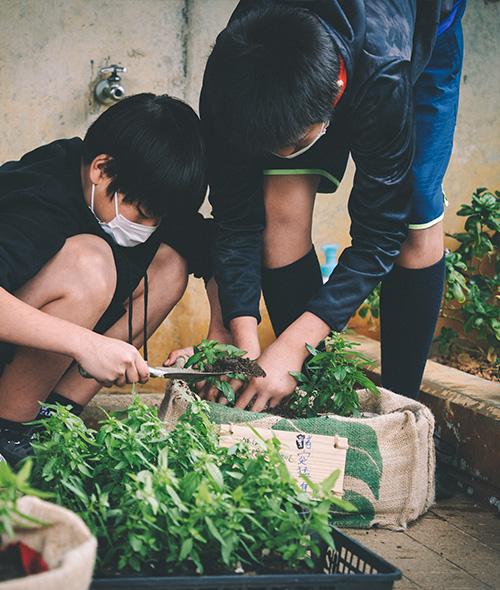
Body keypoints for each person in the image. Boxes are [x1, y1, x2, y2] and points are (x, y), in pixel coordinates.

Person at [199, 0, 466, 410]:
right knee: (279, 210)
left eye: (295, 143)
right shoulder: (231, 72)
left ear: (334, 100)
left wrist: (294, 343)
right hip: (305, 49)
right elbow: (235, 219)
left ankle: (398, 409)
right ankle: (317, 400)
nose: (281, 153)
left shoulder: (384, 74)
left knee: (415, 211)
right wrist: (245, 347)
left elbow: (379, 234)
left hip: (420, 27)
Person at [0, 92, 227, 466]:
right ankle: (10, 434)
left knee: (170, 264)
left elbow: (217, 252)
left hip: (40, 354)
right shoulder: (40, 196)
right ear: (101, 170)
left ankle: (53, 422)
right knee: (90, 263)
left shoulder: (145, 188)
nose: (147, 228)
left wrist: (217, 341)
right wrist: (85, 344)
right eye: (140, 214)